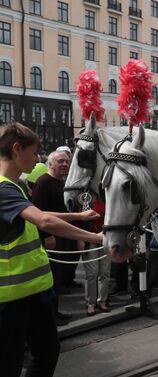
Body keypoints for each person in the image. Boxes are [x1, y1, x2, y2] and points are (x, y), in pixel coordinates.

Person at [0, 122, 102, 377]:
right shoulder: (3, 188)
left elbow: (38, 214)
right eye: (34, 153)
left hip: (33, 292)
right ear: (16, 149)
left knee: (46, 353)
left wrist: (78, 215)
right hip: (12, 299)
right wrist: (97, 238)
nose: (38, 159)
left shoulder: (15, 186)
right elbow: (44, 221)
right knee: (11, 364)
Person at [32, 151, 81, 324]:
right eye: (60, 161)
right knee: (51, 277)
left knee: (58, 277)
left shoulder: (63, 182)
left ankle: (56, 312)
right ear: (51, 163)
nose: (65, 165)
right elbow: (37, 211)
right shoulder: (44, 182)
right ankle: (50, 316)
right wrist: (47, 235)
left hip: (63, 235)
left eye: (67, 162)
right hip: (52, 237)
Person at [82, 198, 111, 316]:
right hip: (90, 237)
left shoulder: (108, 196)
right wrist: (80, 239)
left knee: (105, 272)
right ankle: (90, 303)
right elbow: (79, 219)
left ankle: (102, 301)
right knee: (92, 273)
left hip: (106, 237)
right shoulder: (85, 197)